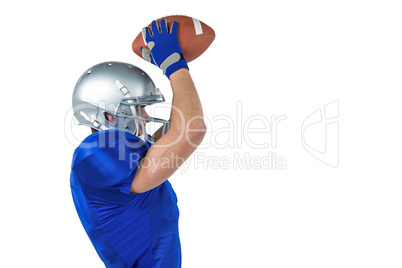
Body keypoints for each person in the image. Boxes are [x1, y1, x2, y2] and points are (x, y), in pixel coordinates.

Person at [70, 19, 206, 268]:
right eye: (139, 108)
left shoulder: (116, 153)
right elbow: (192, 129)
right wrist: (174, 66)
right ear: (108, 115)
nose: (144, 116)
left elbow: (182, 122)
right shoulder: (95, 152)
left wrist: (178, 69)